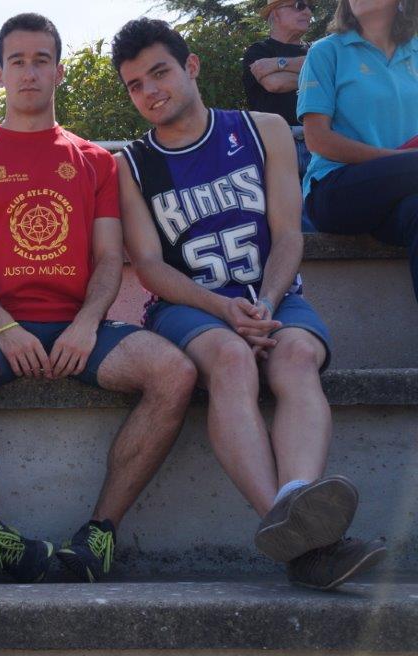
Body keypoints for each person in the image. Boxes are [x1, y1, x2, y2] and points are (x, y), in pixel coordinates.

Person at [0, 12, 198, 584]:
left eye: (41, 60)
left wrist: (88, 323)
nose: (29, 72)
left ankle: (100, 534)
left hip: (78, 328)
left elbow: (108, 258)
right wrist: (3, 326)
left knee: (175, 372)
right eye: (17, 61)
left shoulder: (94, 161)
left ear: (59, 72)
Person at [111, 17, 386, 590]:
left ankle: (297, 506)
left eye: (160, 73)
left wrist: (265, 301)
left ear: (191, 66)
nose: (151, 91)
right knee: (232, 360)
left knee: (297, 357)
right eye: (136, 85)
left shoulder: (264, 130)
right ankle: (298, 530)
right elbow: (151, 266)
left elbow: (287, 235)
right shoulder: (131, 165)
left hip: (272, 293)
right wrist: (223, 310)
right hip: (190, 306)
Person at [299, 0, 418, 303]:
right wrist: (402, 162)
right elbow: (317, 140)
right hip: (336, 190)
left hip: (401, 195)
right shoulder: (326, 52)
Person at [243, 0, 316, 178]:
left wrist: (278, 63)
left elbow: (331, 67)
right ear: (276, 13)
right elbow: (275, 84)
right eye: (299, 5)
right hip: (276, 147)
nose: (307, 12)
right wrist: (317, 77)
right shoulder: (258, 51)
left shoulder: (317, 50)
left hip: (318, 143)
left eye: (310, 7)